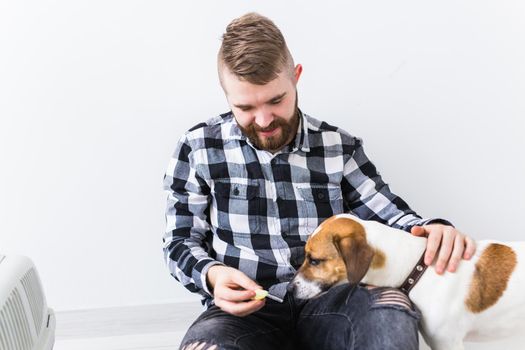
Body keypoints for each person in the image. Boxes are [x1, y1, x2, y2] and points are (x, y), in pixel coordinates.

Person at [163, 12, 476, 350]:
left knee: (391, 311)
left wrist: (431, 229)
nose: (265, 120)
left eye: (276, 100)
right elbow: (179, 240)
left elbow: (391, 217)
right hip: (242, 315)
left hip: (333, 302)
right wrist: (213, 275)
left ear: (295, 78)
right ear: (226, 95)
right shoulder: (197, 147)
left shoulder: (338, 147)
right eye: (246, 107)